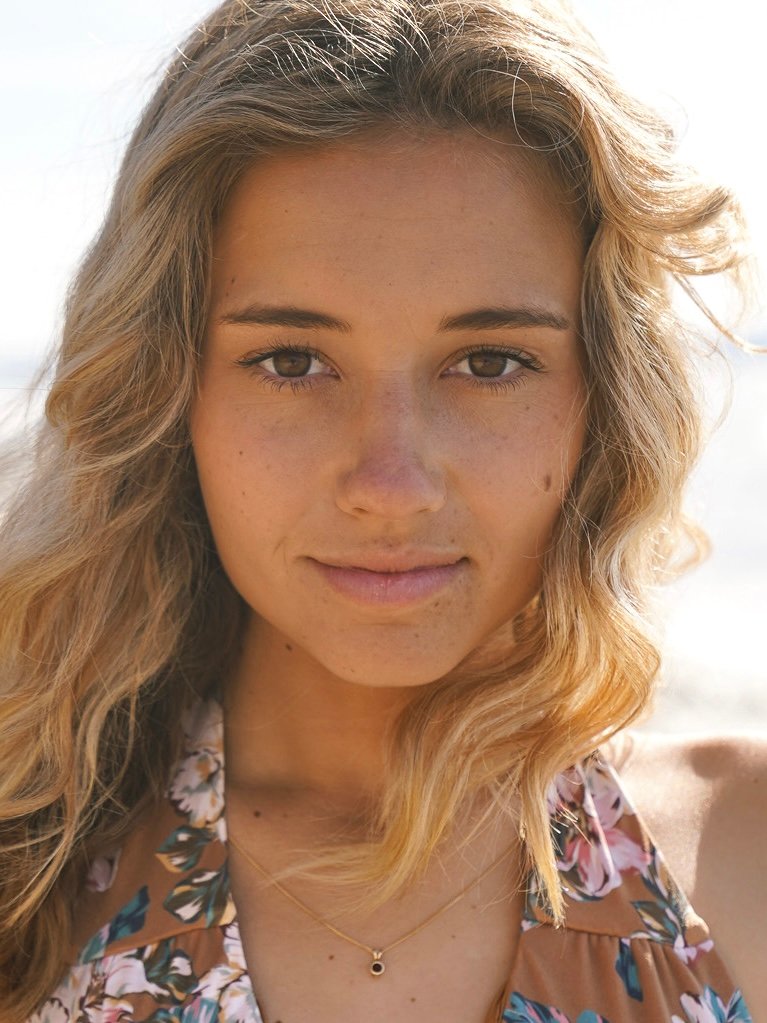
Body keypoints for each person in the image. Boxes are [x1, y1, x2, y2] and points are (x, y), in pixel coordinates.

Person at [0, 0, 764, 1020]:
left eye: (488, 363)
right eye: (291, 361)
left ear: (601, 399)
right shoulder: (27, 872)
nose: (390, 481)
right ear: (168, 388)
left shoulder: (740, 853)